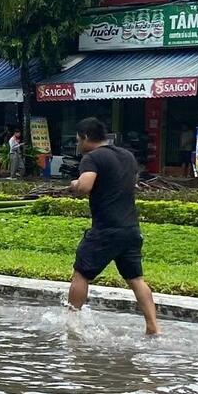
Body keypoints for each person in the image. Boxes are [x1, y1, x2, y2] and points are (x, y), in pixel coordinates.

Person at [67, 116, 160, 337]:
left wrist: (74, 186)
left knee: (80, 274)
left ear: (86, 137)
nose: (78, 145)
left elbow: (86, 186)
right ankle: (153, 327)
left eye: (78, 140)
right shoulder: (127, 156)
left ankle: (72, 324)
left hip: (105, 230)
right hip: (130, 229)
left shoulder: (92, 158)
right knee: (136, 279)